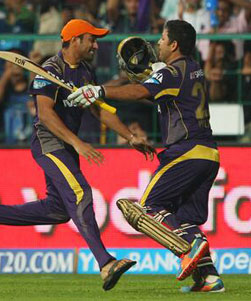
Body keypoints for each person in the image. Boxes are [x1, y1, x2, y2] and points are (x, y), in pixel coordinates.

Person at [0, 19, 155, 291]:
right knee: (81, 194)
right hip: (49, 144)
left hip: (65, 147)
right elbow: (45, 114)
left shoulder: (86, 71)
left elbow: (98, 109)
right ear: (76, 40)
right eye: (91, 39)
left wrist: (130, 136)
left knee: (58, 210)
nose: (95, 45)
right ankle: (105, 263)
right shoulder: (49, 70)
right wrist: (77, 143)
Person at [68, 19, 225, 293]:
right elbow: (150, 93)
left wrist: (99, 90)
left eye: (163, 40)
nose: (158, 45)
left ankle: (187, 248)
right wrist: (111, 91)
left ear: (174, 44)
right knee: (185, 218)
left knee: (147, 209)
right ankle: (209, 278)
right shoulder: (193, 69)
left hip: (185, 152)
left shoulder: (171, 73)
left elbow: (141, 91)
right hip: (209, 155)